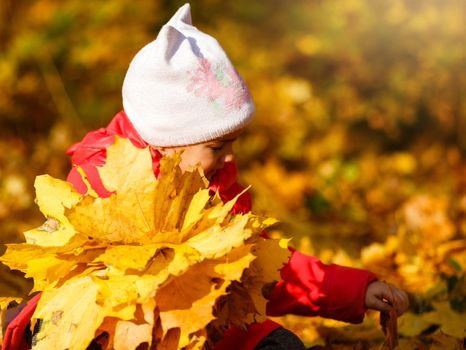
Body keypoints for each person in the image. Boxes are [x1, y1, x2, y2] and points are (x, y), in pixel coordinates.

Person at [2, 4, 409, 350]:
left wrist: (353, 291)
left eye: (232, 142)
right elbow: (74, 281)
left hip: (203, 321)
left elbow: (258, 268)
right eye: (217, 146)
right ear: (168, 141)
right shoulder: (101, 180)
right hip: (115, 323)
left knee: (280, 344)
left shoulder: (216, 183)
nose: (230, 155)